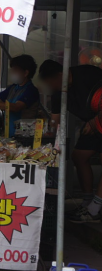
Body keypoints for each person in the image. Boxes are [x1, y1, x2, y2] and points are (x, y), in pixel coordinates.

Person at [39, 60, 102, 223]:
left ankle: (96, 208)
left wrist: (95, 122)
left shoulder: (89, 75)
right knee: (78, 156)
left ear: (61, 75)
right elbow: (55, 120)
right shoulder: (58, 92)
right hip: (91, 125)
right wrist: (48, 130)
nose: (51, 87)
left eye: (51, 83)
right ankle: (87, 201)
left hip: (96, 121)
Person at [0, 55, 40, 137]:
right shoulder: (13, 88)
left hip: (24, 135)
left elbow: (16, 107)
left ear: (25, 73)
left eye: (15, 70)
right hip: (10, 133)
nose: (12, 73)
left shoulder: (31, 90)